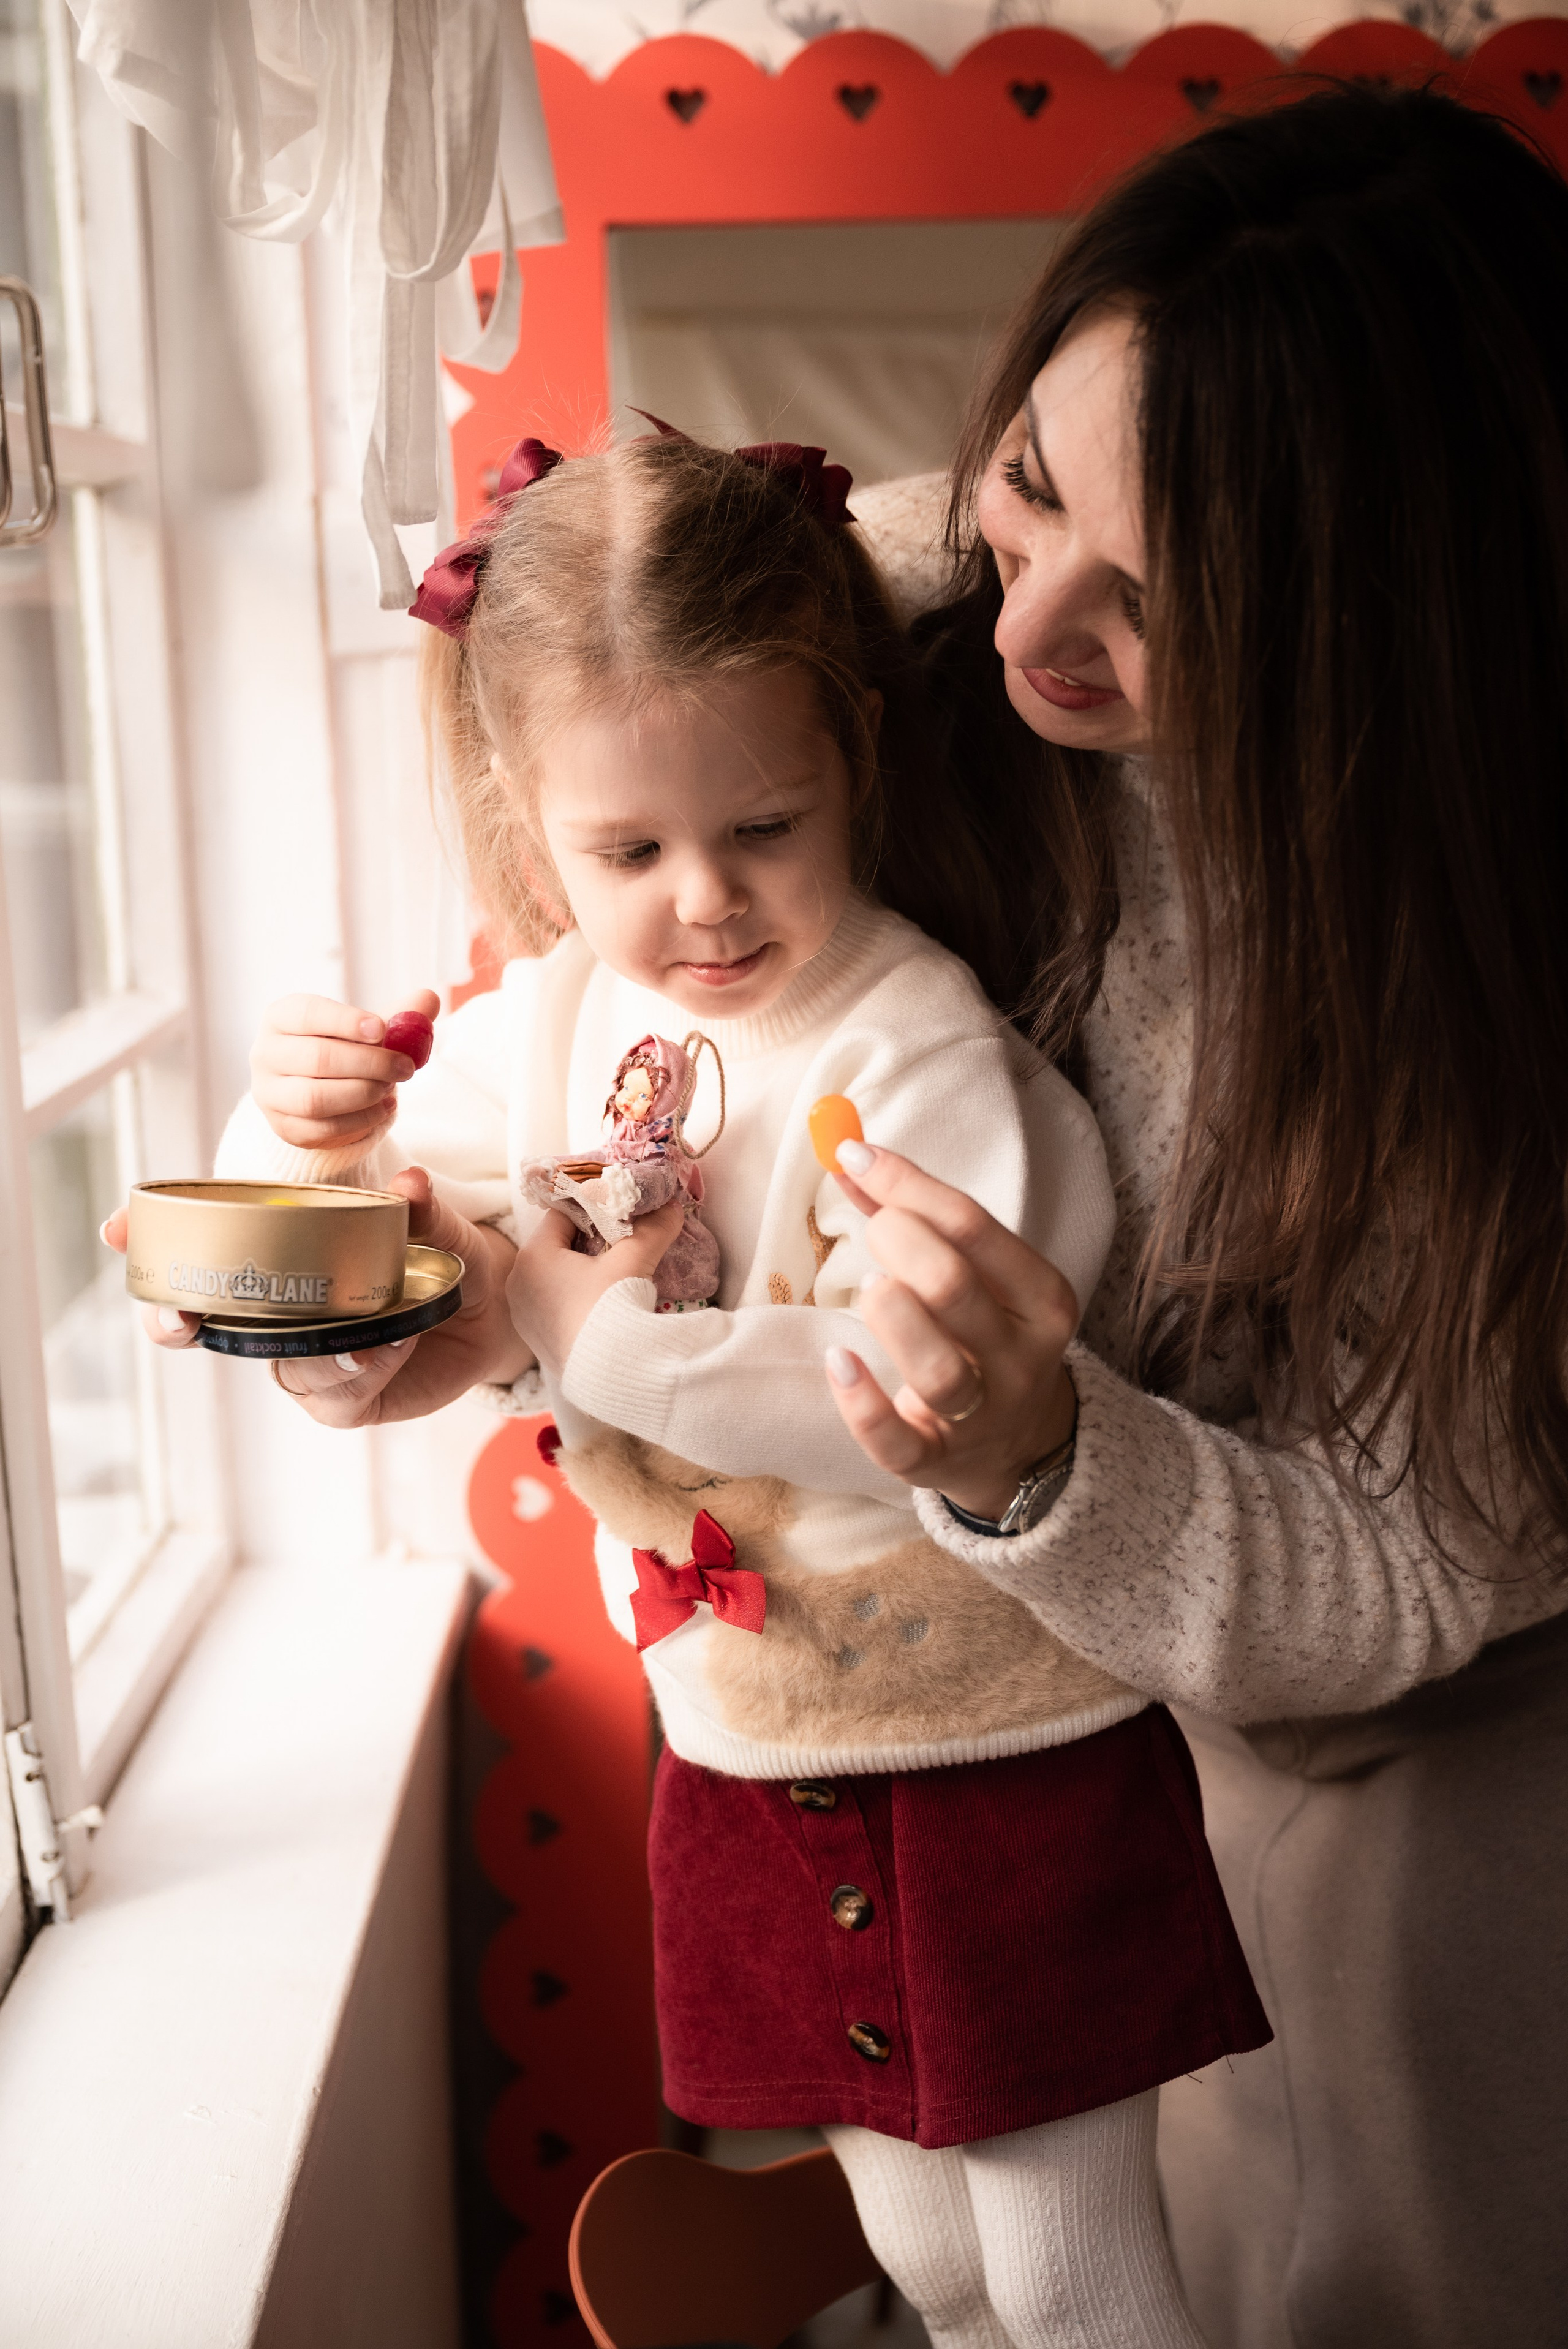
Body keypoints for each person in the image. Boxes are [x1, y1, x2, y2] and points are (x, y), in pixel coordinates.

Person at [112, 425, 1269, 2348]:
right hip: (750, 1727)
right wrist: (304, 1141)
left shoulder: (913, 1046)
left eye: (766, 829)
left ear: (853, 769)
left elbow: (907, 1405)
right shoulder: (566, 1008)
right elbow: (419, 1239)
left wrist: (585, 1332)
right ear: (530, 816)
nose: (705, 904)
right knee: (927, 2255)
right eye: (629, 852)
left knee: (1074, 2266)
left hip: (997, 1735)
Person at [812, 81, 1568, 2349]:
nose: (1024, 621)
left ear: (1383, 646)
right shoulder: (927, 630)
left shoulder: (1489, 990)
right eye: (1026, 483)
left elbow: (1413, 1563)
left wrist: (1046, 1463)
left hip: (1447, 1756)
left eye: (1158, 607)